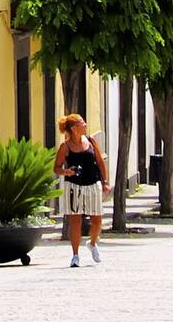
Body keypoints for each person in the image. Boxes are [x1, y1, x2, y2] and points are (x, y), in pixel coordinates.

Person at [53, 114, 109, 268]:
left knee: (97, 218)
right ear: (73, 128)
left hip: (93, 184)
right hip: (74, 186)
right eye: (82, 123)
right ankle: (75, 255)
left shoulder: (91, 141)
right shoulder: (65, 147)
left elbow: (99, 161)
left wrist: (105, 182)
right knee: (75, 220)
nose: (85, 125)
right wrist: (66, 172)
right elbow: (56, 168)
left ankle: (92, 243)